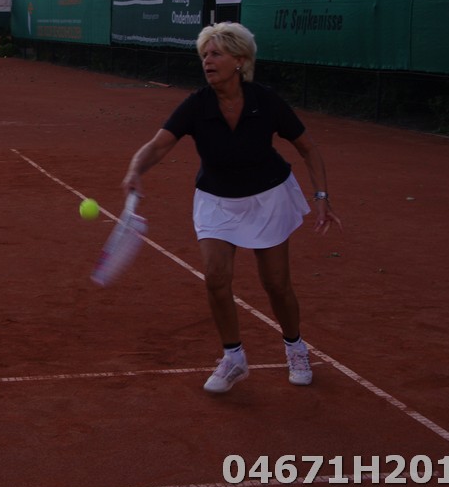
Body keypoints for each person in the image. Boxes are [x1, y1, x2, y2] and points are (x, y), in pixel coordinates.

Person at [121, 22, 342, 394]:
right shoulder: (197, 104)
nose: (207, 61)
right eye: (204, 54)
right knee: (215, 277)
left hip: (268, 198)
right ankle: (233, 357)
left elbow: (307, 147)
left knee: (276, 284)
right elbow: (158, 145)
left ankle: (295, 347)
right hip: (217, 200)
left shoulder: (266, 101)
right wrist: (134, 170)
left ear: (240, 60)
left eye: (216, 54)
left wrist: (321, 197)